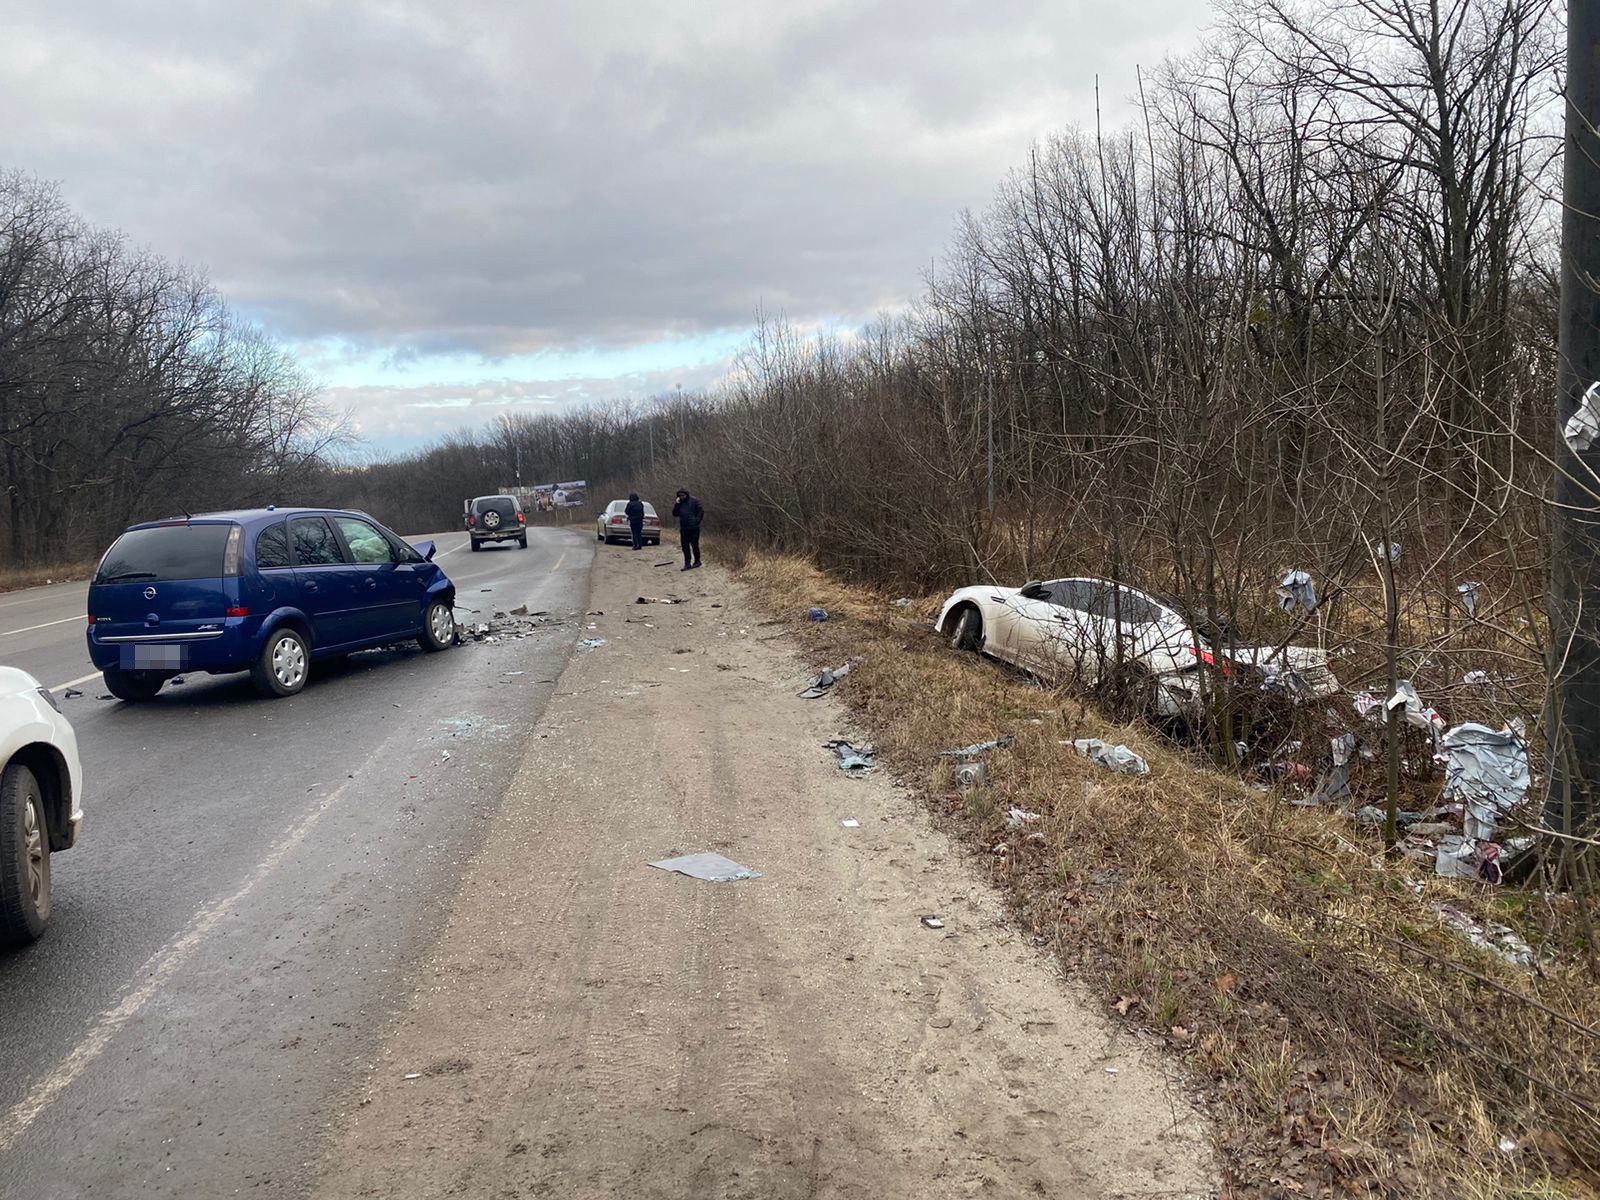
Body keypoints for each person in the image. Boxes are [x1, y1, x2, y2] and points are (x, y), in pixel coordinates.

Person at [672, 487, 703, 570]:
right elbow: (675, 514)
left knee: (694, 545)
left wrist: (697, 521)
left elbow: (701, 511)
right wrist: (677, 504)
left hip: (694, 527)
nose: (682, 497)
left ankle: (697, 561)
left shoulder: (694, 500)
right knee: (685, 546)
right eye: (680, 496)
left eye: (683, 495)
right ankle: (687, 563)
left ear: (686, 494)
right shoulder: (679, 503)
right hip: (684, 527)